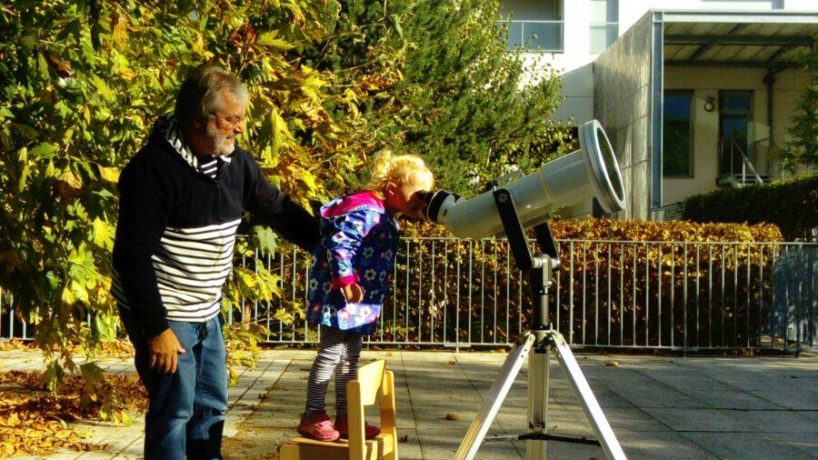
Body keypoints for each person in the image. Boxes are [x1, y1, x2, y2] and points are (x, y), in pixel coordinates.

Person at [111, 63, 320, 460]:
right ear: (199, 119)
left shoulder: (235, 163)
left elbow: (276, 209)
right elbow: (131, 255)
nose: (240, 128)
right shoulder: (152, 171)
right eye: (232, 119)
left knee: (211, 404)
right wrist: (156, 329)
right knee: (175, 411)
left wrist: (328, 244)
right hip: (165, 311)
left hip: (206, 309)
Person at [297, 152, 435, 442]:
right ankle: (313, 414)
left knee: (350, 357)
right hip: (340, 295)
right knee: (331, 353)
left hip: (358, 301)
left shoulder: (384, 213)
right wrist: (345, 280)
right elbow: (341, 243)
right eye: (417, 194)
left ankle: (347, 417)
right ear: (392, 189)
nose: (421, 201)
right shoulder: (365, 210)